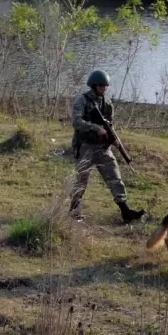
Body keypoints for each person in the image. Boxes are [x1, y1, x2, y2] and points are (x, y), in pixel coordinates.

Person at [69, 69, 146, 223]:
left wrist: (114, 139)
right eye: (101, 85)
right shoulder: (82, 101)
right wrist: (95, 128)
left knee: (114, 176)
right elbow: (76, 122)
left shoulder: (107, 103)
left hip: (102, 147)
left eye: (106, 86)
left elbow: (109, 124)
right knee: (81, 180)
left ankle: (125, 211)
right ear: (94, 85)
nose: (104, 88)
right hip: (85, 146)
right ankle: (74, 212)